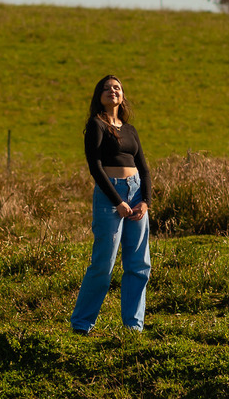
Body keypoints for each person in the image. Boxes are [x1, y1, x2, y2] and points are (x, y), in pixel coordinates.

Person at [70, 74, 152, 334]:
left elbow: (145, 169)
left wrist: (146, 203)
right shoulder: (96, 125)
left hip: (137, 194)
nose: (112, 91)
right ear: (99, 96)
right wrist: (117, 202)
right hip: (111, 195)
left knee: (139, 265)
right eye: (106, 88)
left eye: (117, 88)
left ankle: (133, 327)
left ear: (123, 96)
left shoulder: (130, 130)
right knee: (103, 264)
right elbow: (95, 167)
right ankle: (82, 325)